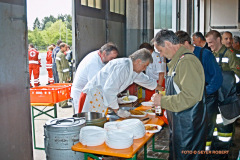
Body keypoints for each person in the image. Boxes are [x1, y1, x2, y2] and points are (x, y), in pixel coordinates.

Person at [152, 29, 206, 160]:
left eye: (160, 50)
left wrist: (162, 101)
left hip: (188, 127)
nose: (161, 55)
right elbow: (179, 89)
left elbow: (190, 97)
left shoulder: (186, 62)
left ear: (168, 44)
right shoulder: (177, 62)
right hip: (180, 124)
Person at [78, 48, 162, 117]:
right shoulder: (123, 67)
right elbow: (109, 90)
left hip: (100, 98)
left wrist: (162, 89)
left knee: (96, 128)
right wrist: (117, 110)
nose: (144, 69)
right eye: (145, 66)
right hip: (91, 97)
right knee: (86, 128)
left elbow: (146, 81)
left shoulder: (133, 69)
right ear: (138, 61)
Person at [176, 30, 223, 151]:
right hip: (189, 100)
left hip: (207, 99)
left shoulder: (205, 55)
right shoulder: (180, 57)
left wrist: (202, 91)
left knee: (206, 131)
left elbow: (217, 79)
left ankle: (204, 154)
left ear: (186, 43)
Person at [206, 30, 240, 158]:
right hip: (214, 98)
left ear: (218, 40)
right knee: (214, 127)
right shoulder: (211, 54)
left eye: (211, 42)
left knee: (224, 129)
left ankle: (223, 153)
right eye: (208, 43)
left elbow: (237, 77)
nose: (209, 45)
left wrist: (222, 82)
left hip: (225, 98)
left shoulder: (230, 55)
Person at [71, 43, 119, 113]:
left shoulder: (101, 57)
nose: (112, 61)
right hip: (81, 93)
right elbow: (97, 86)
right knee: (83, 118)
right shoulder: (94, 63)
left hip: (89, 91)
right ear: (104, 53)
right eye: (111, 58)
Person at [56, 43, 71, 108]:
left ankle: (60, 103)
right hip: (64, 74)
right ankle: (64, 103)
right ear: (62, 47)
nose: (66, 48)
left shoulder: (58, 54)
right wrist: (68, 76)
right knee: (64, 88)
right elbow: (65, 67)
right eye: (65, 47)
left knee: (61, 87)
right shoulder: (62, 55)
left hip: (60, 73)